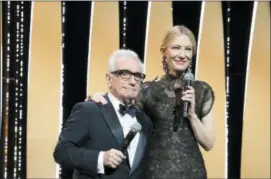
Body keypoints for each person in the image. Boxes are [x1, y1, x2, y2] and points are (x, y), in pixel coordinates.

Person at [87, 25, 216, 179]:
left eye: (188, 49)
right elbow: (119, 111)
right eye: (176, 48)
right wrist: (98, 97)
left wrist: (192, 115)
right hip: (154, 172)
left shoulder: (202, 90)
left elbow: (208, 143)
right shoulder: (147, 90)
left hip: (193, 172)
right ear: (164, 51)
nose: (182, 54)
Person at [53, 49, 153, 179]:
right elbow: (61, 152)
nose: (133, 81)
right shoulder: (89, 110)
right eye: (125, 74)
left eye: (138, 76)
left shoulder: (145, 121)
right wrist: (100, 158)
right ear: (108, 79)